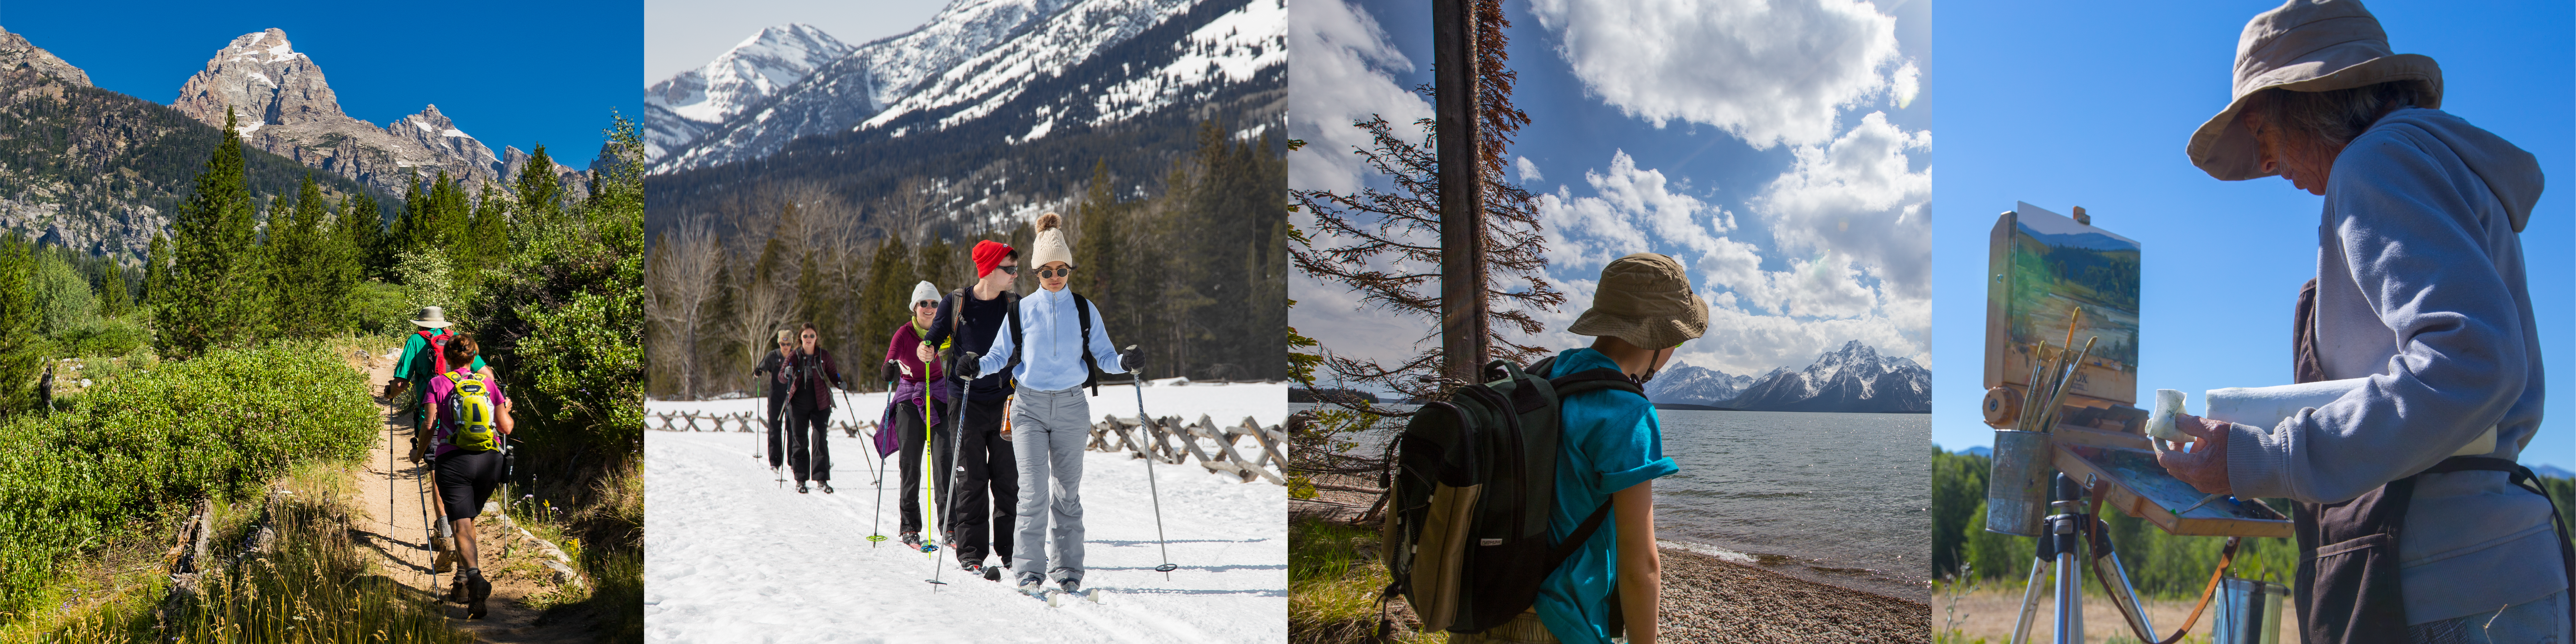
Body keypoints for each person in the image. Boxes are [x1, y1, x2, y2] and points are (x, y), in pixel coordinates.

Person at [2156, 2, 2563, 641]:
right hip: (2489, 570)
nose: (2264, 165)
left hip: (2442, 590)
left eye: (2261, 134)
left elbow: (2469, 360)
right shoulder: (2429, 162)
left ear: (2305, 103)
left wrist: (2267, 456)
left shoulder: (2375, 163)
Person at [1449, 253, 1694, 644]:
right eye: (1680, 339)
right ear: (1660, 335)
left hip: (1481, 608)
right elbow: (1641, 565)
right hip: (1559, 626)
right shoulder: (1627, 412)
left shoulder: (1541, 376)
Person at [962, 213, 1139, 595]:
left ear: (1070, 268)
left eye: (1062, 269)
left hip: (1073, 407)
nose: (1055, 276)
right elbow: (996, 357)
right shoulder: (1021, 310)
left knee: (1067, 493)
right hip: (1028, 406)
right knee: (1032, 491)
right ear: (1035, 272)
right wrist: (975, 365)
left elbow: (1105, 356)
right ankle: (1028, 572)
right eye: (1046, 271)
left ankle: (1069, 570)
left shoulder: (1084, 308)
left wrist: (1125, 362)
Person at [921, 239, 1023, 578]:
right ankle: (971, 552)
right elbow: (933, 339)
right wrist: (927, 351)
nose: (1014, 274)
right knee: (970, 478)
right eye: (1008, 269)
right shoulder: (957, 302)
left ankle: (1011, 551)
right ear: (989, 270)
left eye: (1015, 268)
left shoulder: (1014, 304)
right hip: (964, 401)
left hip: (1007, 400)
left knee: (1008, 479)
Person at [411, 334, 514, 620]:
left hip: (454, 461)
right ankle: (462, 582)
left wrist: (419, 454)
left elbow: (430, 425)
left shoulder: (438, 383)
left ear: (447, 357)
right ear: (473, 356)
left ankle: (473, 577)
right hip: (490, 461)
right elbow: (506, 427)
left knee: (461, 523)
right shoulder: (489, 385)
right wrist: (506, 409)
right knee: (468, 520)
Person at [884, 281, 950, 551]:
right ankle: (910, 526)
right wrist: (889, 368)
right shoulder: (905, 333)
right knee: (910, 464)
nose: (930, 308)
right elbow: (890, 358)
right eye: (924, 303)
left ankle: (951, 526)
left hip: (939, 396)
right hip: (911, 399)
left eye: (935, 304)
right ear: (915, 306)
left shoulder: (944, 331)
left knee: (945, 461)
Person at [389, 306, 487, 429]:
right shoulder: (458, 340)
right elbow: (487, 375)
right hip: (464, 418)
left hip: (432, 420)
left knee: (425, 447)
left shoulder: (416, 340)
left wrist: (390, 394)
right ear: (443, 324)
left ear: (421, 326)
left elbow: (400, 385)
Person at [784, 323, 844, 494]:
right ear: (800, 338)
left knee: (820, 438)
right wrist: (787, 372)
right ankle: (801, 479)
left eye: (812, 336)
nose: (809, 339)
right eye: (805, 336)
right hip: (798, 403)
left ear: (816, 338)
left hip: (821, 403)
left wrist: (840, 382)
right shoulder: (794, 355)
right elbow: (783, 376)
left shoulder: (823, 355)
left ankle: (822, 479)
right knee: (800, 439)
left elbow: (834, 374)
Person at [752, 329, 797, 472]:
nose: (786, 347)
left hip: (792, 397)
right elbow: (759, 369)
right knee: (774, 428)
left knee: (793, 429)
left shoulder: (796, 356)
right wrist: (758, 372)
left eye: (789, 344)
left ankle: (793, 462)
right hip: (776, 396)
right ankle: (775, 463)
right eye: (783, 344)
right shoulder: (773, 356)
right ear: (780, 343)